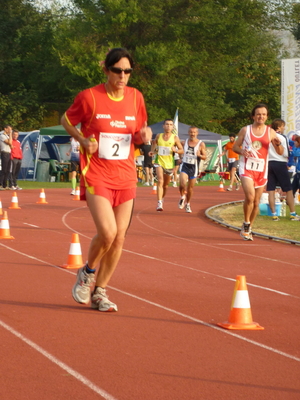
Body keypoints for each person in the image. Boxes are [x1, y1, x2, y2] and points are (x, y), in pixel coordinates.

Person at [61, 47, 152, 312]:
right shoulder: (89, 97)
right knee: (108, 232)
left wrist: (142, 137)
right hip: (97, 173)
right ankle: (87, 273)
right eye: (117, 70)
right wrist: (81, 140)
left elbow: (136, 134)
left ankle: (100, 291)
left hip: (125, 175)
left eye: (127, 71)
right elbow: (66, 120)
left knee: (120, 238)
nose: (123, 76)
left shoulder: (136, 98)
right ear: (106, 70)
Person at [233, 103, 283, 241]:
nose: (261, 116)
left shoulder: (270, 132)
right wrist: (242, 150)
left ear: (267, 117)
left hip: (261, 170)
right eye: (258, 114)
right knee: (249, 196)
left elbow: (280, 152)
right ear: (253, 116)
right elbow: (235, 147)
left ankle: (248, 226)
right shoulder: (245, 130)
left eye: (264, 114)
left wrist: (278, 145)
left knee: (256, 202)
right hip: (246, 167)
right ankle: (246, 222)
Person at [267, 119, 299, 221]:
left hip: (269, 163)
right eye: (283, 126)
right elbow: (286, 153)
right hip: (280, 163)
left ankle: (273, 214)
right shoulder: (282, 137)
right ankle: (293, 214)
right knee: (288, 189)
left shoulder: (267, 137)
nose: (284, 128)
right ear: (279, 127)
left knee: (271, 190)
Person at [150, 119, 183, 211]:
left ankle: (162, 198)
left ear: (172, 127)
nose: (168, 126)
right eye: (167, 124)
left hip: (169, 163)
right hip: (159, 161)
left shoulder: (175, 138)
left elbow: (181, 150)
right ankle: (159, 203)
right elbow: (154, 143)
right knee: (160, 181)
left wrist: (175, 150)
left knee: (165, 185)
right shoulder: (158, 136)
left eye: (170, 125)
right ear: (163, 126)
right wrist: (152, 151)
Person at [178, 126, 207, 213]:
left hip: (194, 167)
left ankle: (188, 204)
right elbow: (180, 151)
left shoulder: (201, 144)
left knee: (190, 188)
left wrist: (200, 155)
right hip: (185, 165)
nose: (192, 134)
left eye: (194, 132)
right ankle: (182, 197)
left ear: (197, 133)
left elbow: (205, 157)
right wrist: (180, 158)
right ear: (188, 133)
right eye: (191, 132)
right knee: (182, 184)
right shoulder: (184, 142)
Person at [0, 125, 13, 190]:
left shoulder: (7, 136)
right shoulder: (2, 136)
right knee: (4, 169)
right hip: (4, 153)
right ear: (5, 129)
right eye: (9, 129)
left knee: (7, 170)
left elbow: (11, 145)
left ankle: (5, 185)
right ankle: (0, 184)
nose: (10, 130)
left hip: (8, 153)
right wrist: (10, 134)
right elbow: (10, 143)